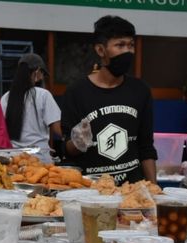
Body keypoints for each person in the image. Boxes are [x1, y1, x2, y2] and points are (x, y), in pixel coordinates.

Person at [61, 15, 157, 184]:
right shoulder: (76, 92)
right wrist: (78, 142)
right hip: (92, 193)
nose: (127, 51)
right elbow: (67, 150)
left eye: (131, 45)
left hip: (132, 190)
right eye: (120, 45)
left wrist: (154, 191)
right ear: (100, 50)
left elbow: (146, 148)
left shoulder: (141, 91)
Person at [0, 53, 62, 163]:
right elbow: (58, 129)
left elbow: (0, 129)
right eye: (42, 73)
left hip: (14, 160)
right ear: (37, 71)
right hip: (39, 160)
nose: (42, 77)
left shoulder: (6, 97)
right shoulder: (43, 95)